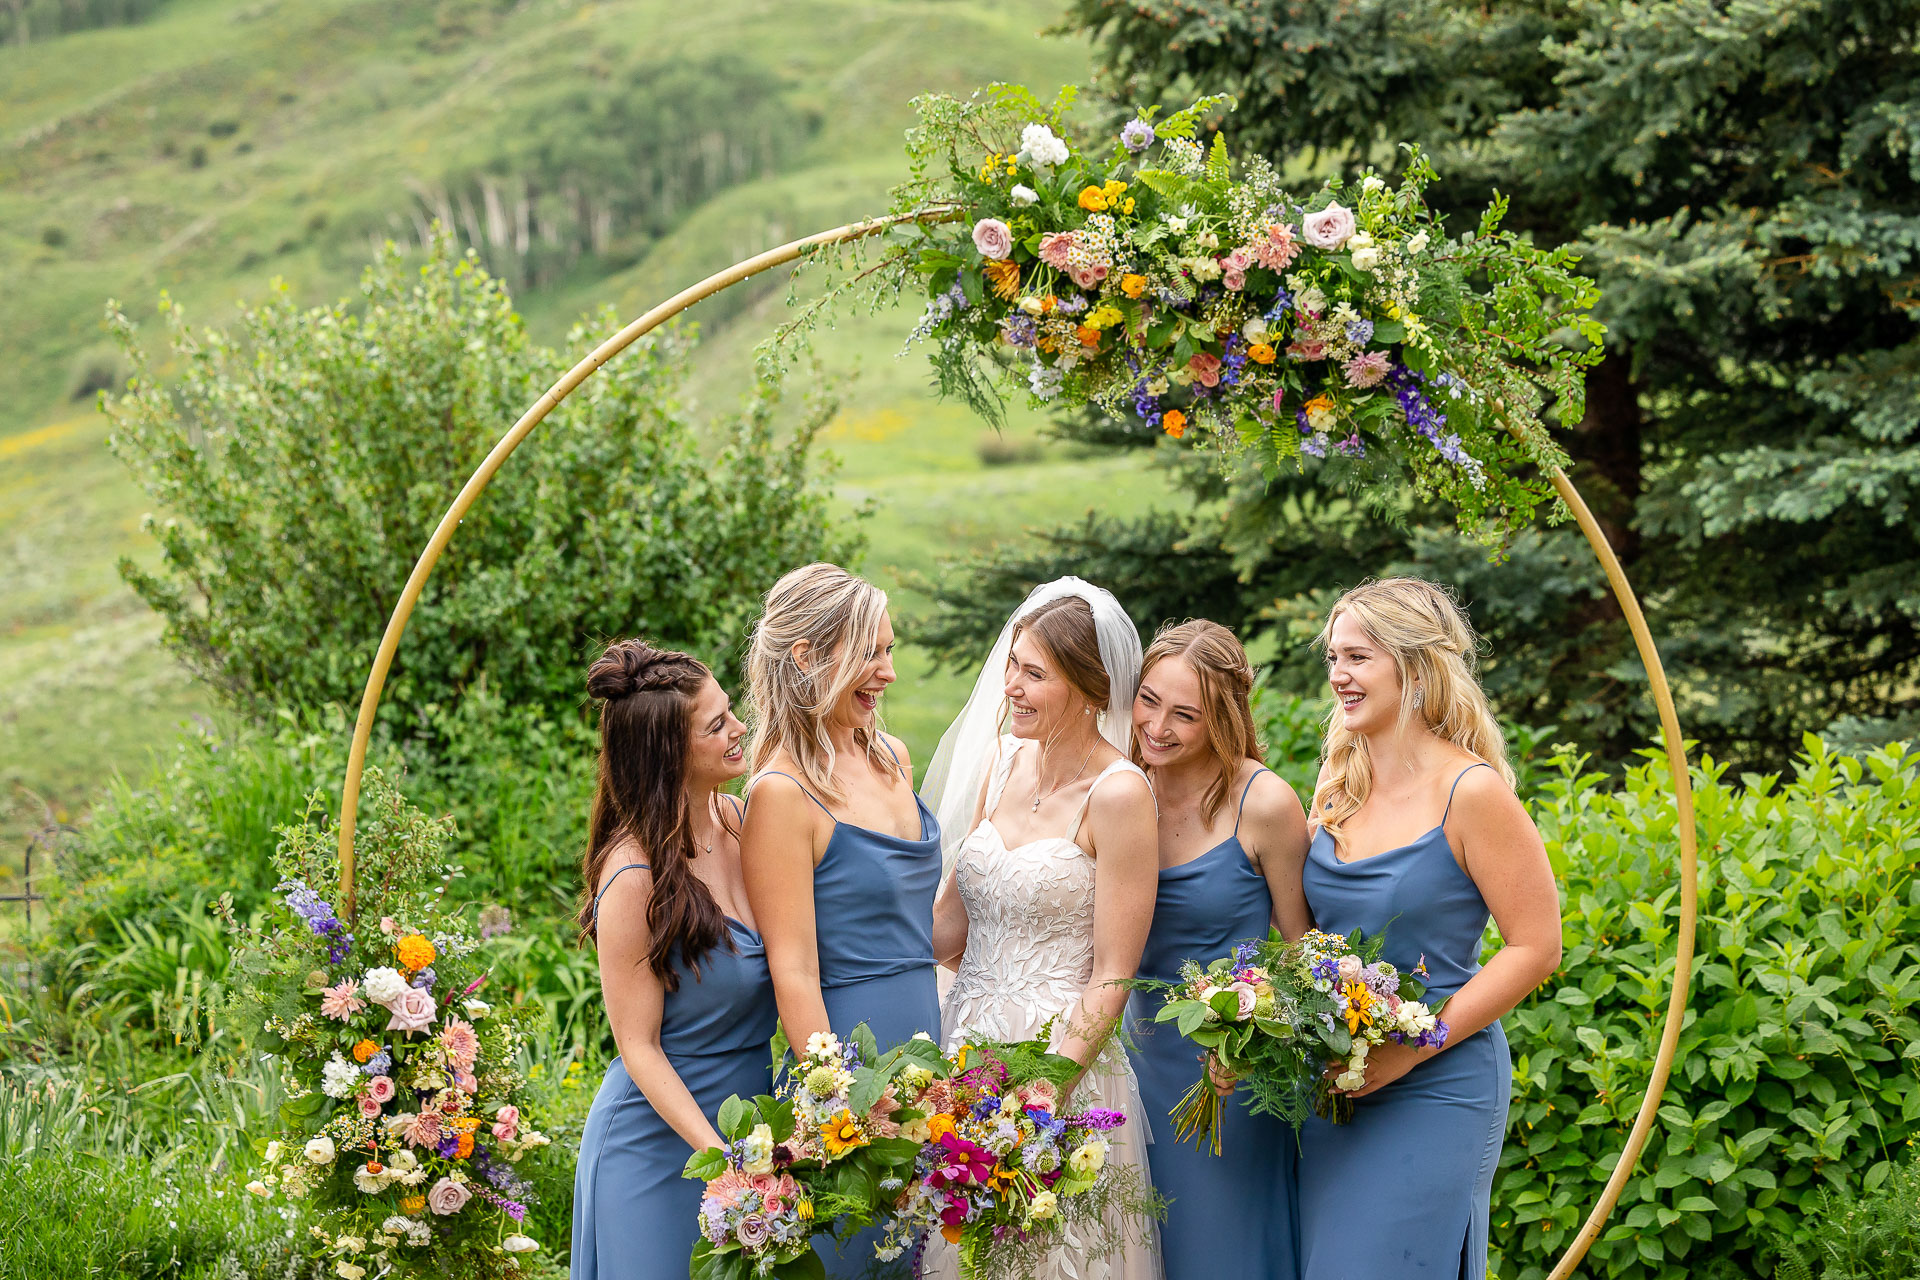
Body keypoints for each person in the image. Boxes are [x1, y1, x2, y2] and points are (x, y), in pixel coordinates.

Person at [1295, 579, 1562, 1280]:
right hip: (1335, 1083)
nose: (1336, 675)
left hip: (1438, 1081)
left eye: (1357, 657)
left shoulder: (1471, 793)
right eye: (1333, 656)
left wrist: (1416, 1048)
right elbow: (1300, 930)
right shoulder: (1337, 778)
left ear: (1414, 667)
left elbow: (1536, 947)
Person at [921, 578, 1163, 1280]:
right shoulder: (999, 762)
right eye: (1012, 666)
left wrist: (1043, 1097)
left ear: (1090, 687)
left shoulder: (1118, 793)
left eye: (1034, 674)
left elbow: (1113, 972)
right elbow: (947, 930)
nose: (1011, 688)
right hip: (965, 1049)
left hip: (1060, 1065)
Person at [740, 563, 942, 1279]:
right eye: (870, 653)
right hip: (850, 1058)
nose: (886, 671)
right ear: (806, 657)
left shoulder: (890, 757)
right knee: (863, 1255)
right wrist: (855, 1100)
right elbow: (791, 968)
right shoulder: (781, 793)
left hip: (928, 1041)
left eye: (889, 650)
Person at [572, 640, 782, 1280]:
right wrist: (721, 1160)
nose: (740, 728)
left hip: (746, 1125)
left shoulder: (742, 822)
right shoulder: (633, 874)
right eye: (717, 724)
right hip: (657, 1143)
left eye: (730, 711)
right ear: (669, 754)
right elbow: (638, 1047)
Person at [1126, 620, 1309, 1280]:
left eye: (1185, 715)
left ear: (1224, 720)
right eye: (1148, 700)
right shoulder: (1121, 789)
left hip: (1229, 1081)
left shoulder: (1262, 804)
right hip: (1130, 1070)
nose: (1158, 727)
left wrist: (1251, 1036)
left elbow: (1301, 953)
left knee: (1220, 1255)